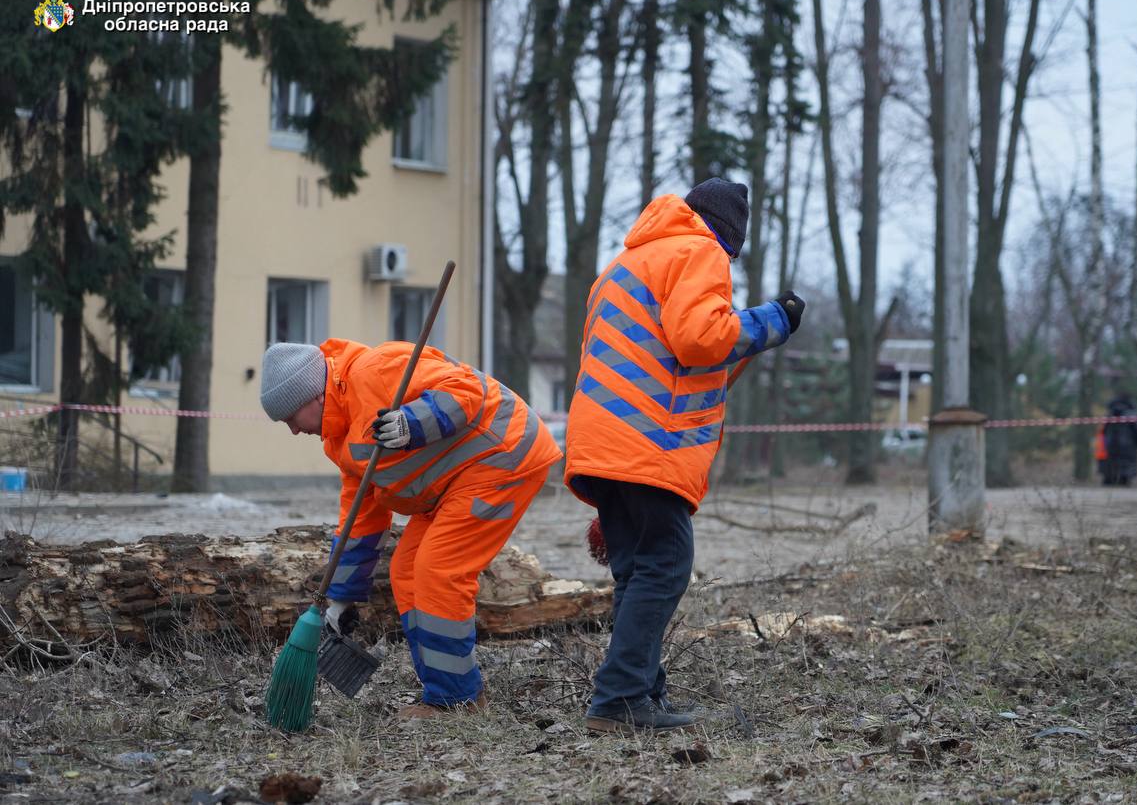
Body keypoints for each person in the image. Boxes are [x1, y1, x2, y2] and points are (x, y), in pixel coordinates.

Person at [564, 177, 804, 734]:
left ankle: (640, 693)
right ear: (728, 237)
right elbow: (699, 339)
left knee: (635, 571)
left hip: (601, 440)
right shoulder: (699, 249)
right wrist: (773, 321)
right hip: (647, 439)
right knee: (665, 566)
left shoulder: (628, 264)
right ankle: (620, 699)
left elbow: (670, 353)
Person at [259, 338, 562, 717]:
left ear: (311, 397)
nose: (292, 431)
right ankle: (444, 689)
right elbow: (360, 517)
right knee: (406, 570)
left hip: (503, 453)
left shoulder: (375, 370)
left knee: (438, 570)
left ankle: (456, 701)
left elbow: (467, 389)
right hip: (451, 480)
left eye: (290, 418)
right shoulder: (340, 440)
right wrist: (339, 599)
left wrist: (412, 423)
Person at [1101, 393, 1137, 486]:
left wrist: (1106, 442)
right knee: (1126, 466)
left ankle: (1110, 481)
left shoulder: (1110, 413)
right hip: (1128, 445)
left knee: (1112, 463)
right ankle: (1124, 482)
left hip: (1111, 444)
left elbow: (1104, 430)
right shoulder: (1132, 413)